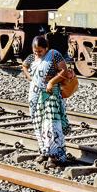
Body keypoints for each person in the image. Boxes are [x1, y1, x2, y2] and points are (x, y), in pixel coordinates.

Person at [22, 36, 71, 168]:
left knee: (51, 123)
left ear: (46, 48)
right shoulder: (32, 58)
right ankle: (44, 150)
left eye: (40, 51)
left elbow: (64, 71)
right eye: (35, 50)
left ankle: (55, 156)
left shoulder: (54, 55)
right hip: (35, 95)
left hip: (51, 93)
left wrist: (51, 82)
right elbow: (24, 66)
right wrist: (30, 78)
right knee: (38, 123)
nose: (37, 53)